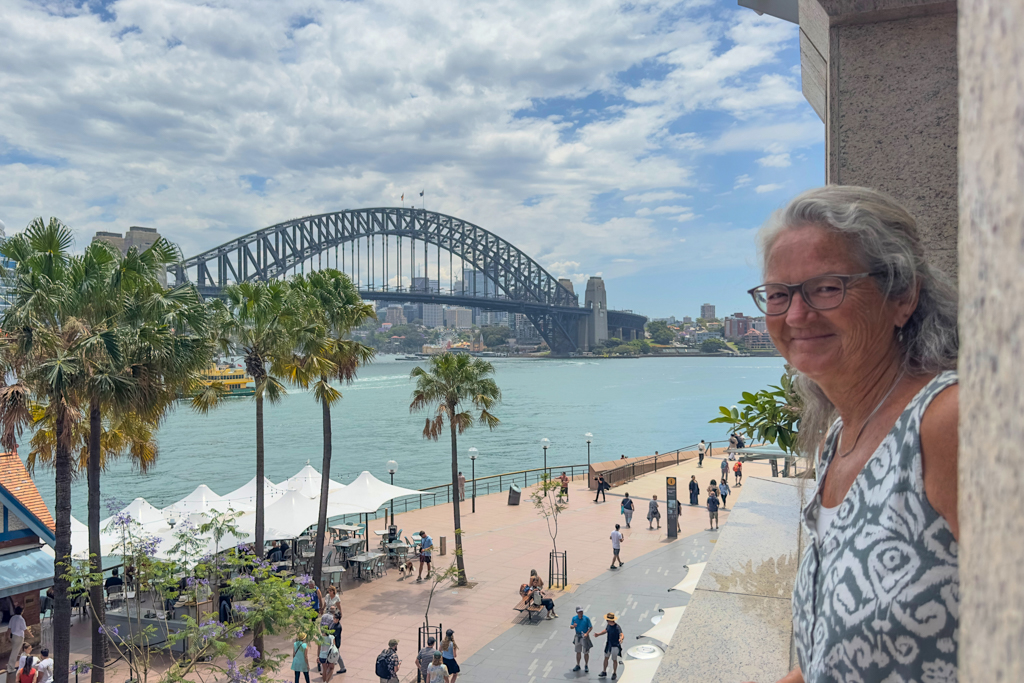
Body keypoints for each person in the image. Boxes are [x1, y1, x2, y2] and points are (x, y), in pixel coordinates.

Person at [750, 186, 959, 682]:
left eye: (826, 287)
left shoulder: (949, 422)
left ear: (902, 296)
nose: (796, 315)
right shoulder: (838, 441)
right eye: (779, 294)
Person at [594, 612, 624, 680]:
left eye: (607, 620)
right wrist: (598, 634)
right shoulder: (608, 626)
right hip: (609, 645)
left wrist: (621, 638)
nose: (606, 621)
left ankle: (614, 673)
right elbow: (606, 630)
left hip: (615, 645)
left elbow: (621, 634)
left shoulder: (617, 627)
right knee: (606, 658)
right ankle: (604, 671)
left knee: (614, 660)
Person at [569, 606, 593, 673]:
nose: (581, 613)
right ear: (577, 612)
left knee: (586, 652)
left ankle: (586, 665)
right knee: (578, 651)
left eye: (581, 611)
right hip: (578, 636)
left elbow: (590, 627)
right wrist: (573, 626)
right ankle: (578, 664)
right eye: (579, 612)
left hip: (584, 636)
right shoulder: (574, 618)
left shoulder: (586, 618)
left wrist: (587, 633)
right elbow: (571, 626)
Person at [6, 605, 28, 675]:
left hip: (13, 637)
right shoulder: (21, 619)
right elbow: (25, 629)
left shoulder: (12, 618)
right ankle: (10, 668)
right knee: (15, 652)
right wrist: (31, 635)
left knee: (18, 651)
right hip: (19, 637)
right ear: (21, 611)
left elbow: (9, 629)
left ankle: (21, 664)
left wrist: (8, 637)